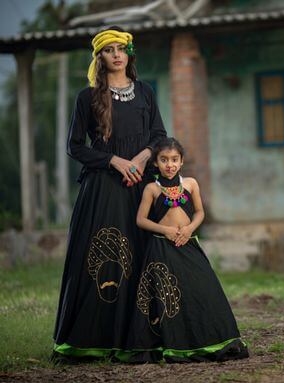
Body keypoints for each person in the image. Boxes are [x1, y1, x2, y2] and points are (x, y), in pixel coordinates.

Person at [52, 26, 166, 360]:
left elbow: (159, 134)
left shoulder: (145, 91)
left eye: (121, 49)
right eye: (108, 49)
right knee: (104, 261)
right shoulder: (86, 97)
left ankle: (145, 338)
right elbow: (74, 147)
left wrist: (143, 159)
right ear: (99, 57)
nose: (116, 54)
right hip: (103, 188)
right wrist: (114, 160)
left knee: (146, 256)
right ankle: (94, 340)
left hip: (141, 187)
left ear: (129, 54)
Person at [122, 137, 249, 363]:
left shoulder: (190, 184)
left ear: (181, 162)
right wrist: (165, 230)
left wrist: (189, 228)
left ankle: (210, 338)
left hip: (187, 244)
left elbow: (199, 212)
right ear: (155, 164)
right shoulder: (152, 189)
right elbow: (140, 220)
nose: (169, 164)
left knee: (204, 288)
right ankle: (171, 344)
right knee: (166, 297)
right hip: (162, 247)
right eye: (164, 160)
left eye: (174, 160)